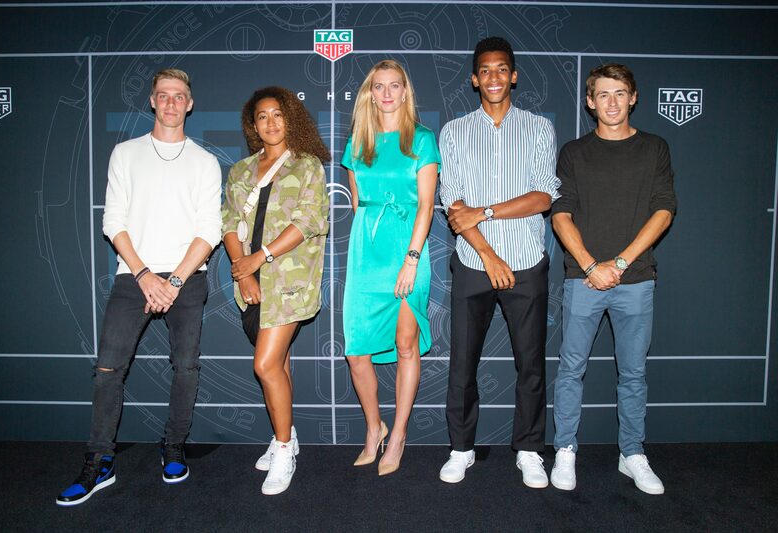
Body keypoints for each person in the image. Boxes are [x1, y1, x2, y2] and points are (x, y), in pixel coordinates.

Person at [56, 68, 222, 506]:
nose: (170, 102)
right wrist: (147, 275)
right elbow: (114, 221)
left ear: (189, 104)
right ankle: (100, 460)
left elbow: (210, 229)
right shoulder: (125, 154)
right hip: (134, 277)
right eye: (163, 95)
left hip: (187, 279)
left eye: (179, 96)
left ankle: (173, 447)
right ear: (152, 101)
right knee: (108, 370)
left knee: (186, 367)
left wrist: (174, 281)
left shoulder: (205, 162)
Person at [438, 37, 560, 487]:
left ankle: (529, 449)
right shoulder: (453, 132)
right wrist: (488, 254)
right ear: (474, 79)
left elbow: (543, 196)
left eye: (501, 69)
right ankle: (461, 448)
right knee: (462, 364)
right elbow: (454, 205)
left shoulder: (538, 129)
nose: (493, 77)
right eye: (484, 70)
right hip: (473, 263)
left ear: (514, 75)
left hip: (527, 262)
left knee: (531, 365)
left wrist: (487, 212)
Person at [549, 64, 676, 495]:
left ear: (634, 97)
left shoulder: (655, 148)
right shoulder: (573, 152)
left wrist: (618, 264)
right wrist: (590, 265)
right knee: (570, 370)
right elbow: (560, 214)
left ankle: (632, 454)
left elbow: (664, 210)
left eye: (620, 93)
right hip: (582, 280)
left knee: (634, 374)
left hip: (636, 279)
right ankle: (565, 449)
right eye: (603, 94)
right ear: (590, 101)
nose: (612, 102)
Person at [221, 86, 330, 495]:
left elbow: (309, 222)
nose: (270, 122)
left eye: (278, 115)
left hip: (290, 283)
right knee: (278, 367)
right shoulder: (240, 171)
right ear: (253, 124)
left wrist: (260, 257)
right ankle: (286, 436)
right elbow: (228, 223)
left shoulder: (307, 166)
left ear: (291, 120)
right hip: (251, 283)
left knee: (264, 366)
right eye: (262, 116)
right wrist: (243, 272)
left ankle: (284, 449)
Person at [342, 59, 440, 476]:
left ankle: (397, 434)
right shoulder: (357, 143)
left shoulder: (421, 140)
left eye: (394, 85)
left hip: (408, 250)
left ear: (405, 92)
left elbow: (426, 206)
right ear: (369, 93)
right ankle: (374, 427)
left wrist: (411, 261)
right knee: (357, 351)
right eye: (378, 86)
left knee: (405, 345)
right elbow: (356, 202)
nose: (386, 93)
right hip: (366, 255)